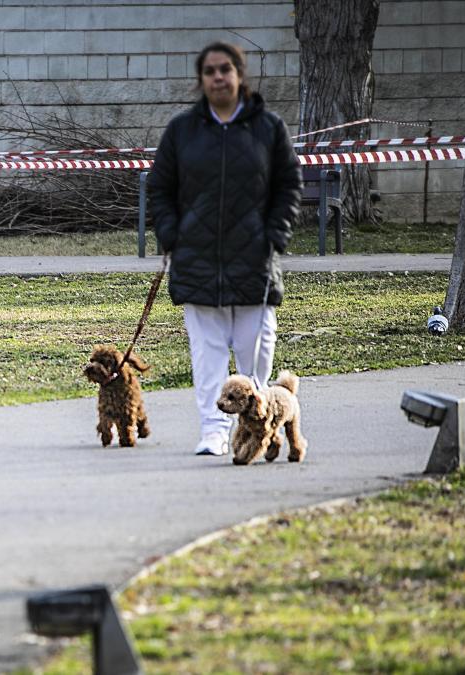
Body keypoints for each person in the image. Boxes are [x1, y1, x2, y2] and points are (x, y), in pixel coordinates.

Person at [147, 42, 302, 457]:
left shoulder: (268, 128)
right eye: (210, 70)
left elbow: (288, 186)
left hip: (254, 260)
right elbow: (160, 188)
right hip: (197, 262)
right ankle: (214, 431)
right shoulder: (182, 131)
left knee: (257, 351)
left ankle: (256, 426)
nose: (218, 77)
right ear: (201, 79)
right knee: (208, 356)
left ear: (239, 76)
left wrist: (275, 234)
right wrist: (171, 233)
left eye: (226, 69)